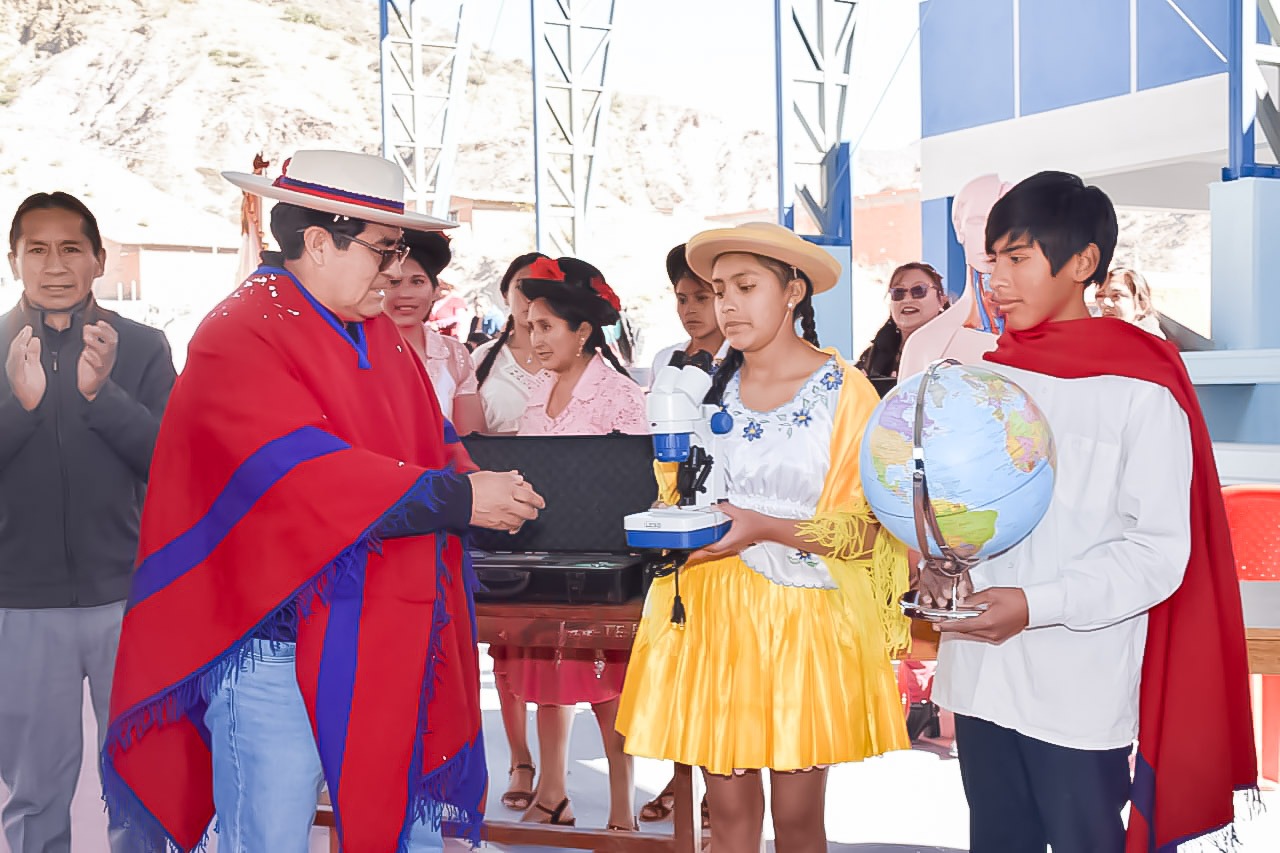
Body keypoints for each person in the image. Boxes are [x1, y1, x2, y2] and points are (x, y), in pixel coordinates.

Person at [101, 150, 546, 852]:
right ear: (317, 240)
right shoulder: (239, 330)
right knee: (269, 838)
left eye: (401, 249)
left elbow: (424, 442)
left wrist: (487, 486)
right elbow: (297, 473)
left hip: (378, 629)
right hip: (272, 642)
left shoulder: (371, 331)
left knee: (398, 821)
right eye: (382, 248)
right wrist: (459, 497)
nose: (395, 270)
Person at [926, 171, 1255, 853]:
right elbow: (960, 511)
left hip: (1075, 685)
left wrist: (1035, 602)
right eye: (993, 261)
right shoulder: (988, 375)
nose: (998, 279)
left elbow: (1158, 552)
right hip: (982, 677)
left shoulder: (1141, 386)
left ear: (1081, 263)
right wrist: (939, 563)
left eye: (1018, 259)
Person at [617, 222, 911, 853]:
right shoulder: (699, 387)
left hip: (801, 620)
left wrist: (762, 527)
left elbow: (863, 532)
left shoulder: (846, 392)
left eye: (745, 287)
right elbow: (676, 496)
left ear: (793, 292)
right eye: (718, 289)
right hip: (713, 612)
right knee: (725, 817)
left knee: (799, 820)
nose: (726, 304)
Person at [1, 191, 175, 853]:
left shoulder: (140, 346)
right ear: (13, 259)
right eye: (36, 249)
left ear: (99, 259)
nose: (54, 265)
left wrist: (105, 396)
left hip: (128, 598)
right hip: (19, 604)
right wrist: (18, 409)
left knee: (139, 778)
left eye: (71, 248)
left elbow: (171, 462)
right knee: (34, 788)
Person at [503, 256, 645, 831]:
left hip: (606, 566)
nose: (533, 339)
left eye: (545, 327)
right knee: (546, 676)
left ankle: (622, 808)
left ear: (582, 332)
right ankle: (553, 792)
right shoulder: (537, 395)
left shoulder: (621, 397)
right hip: (545, 558)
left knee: (609, 685)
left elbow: (639, 486)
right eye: (529, 326)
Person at [382, 229, 485, 434]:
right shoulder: (354, 347)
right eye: (394, 282)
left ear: (435, 291)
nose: (405, 294)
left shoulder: (454, 355)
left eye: (417, 281)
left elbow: (473, 440)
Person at [472, 253, 553, 435]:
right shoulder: (482, 358)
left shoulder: (577, 359)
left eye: (542, 287)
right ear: (505, 295)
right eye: (522, 287)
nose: (531, 297)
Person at [648, 243, 729, 385]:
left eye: (701, 298)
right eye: (682, 300)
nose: (689, 309)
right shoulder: (664, 359)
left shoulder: (743, 361)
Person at [855, 261, 949, 379]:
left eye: (918, 290)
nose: (907, 300)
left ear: (942, 299)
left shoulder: (954, 347)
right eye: (898, 293)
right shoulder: (873, 355)